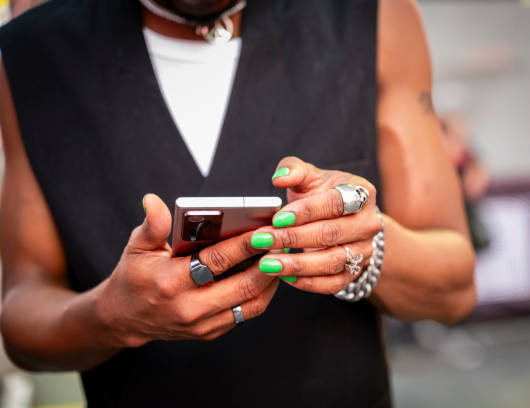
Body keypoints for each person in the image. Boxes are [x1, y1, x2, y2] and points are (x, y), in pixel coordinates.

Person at [0, 0, 476, 406]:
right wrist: (109, 316)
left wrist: (367, 247)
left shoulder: (372, 15)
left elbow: (455, 285)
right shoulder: (32, 53)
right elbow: (22, 314)